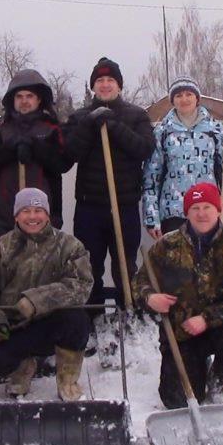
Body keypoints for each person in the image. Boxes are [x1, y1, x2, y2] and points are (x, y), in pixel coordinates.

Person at [133, 182, 223, 408]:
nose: (201, 214)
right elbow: (139, 281)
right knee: (176, 402)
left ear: (218, 210)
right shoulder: (166, 246)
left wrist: (207, 319)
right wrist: (150, 298)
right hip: (181, 334)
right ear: (187, 212)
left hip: (220, 328)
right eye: (195, 208)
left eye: (207, 207)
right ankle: (199, 368)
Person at [0, 188, 93, 401]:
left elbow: (81, 285)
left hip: (52, 325)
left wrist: (37, 300)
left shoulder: (69, 246)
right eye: (26, 211)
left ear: (47, 214)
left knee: (77, 320)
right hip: (15, 328)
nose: (32, 217)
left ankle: (68, 380)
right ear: (16, 215)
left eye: (38, 210)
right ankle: (22, 369)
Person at [63, 57, 155, 314]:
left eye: (110, 80)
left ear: (119, 85)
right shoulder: (80, 117)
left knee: (125, 264)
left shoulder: (136, 115)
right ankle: (92, 316)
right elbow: (69, 153)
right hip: (89, 206)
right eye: (100, 80)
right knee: (89, 266)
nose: (105, 85)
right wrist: (90, 125)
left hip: (123, 206)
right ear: (93, 86)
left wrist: (114, 126)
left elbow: (144, 148)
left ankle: (128, 311)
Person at [142, 76, 223, 238]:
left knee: (208, 261)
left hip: (207, 210)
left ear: (197, 98)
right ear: (172, 100)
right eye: (179, 95)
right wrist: (151, 216)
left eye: (189, 94)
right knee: (177, 262)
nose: (184, 99)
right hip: (173, 211)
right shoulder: (162, 132)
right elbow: (151, 178)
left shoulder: (215, 130)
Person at [0, 68, 70, 239]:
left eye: (29, 96)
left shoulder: (52, 127)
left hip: (44, 214)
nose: (24, 101)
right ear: (12, 99)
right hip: (6, 213)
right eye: (19, 97)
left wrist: (36, 148)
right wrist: (9, 149)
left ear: (39, 99)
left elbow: (63, 162)